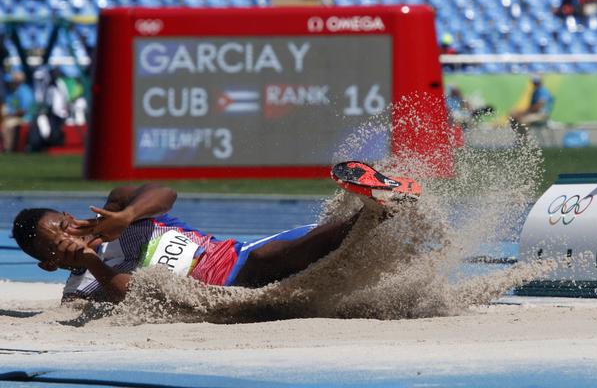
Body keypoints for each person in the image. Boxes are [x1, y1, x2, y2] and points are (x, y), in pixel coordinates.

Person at [11, 162, 421, 303]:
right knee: (268, 266)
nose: (69, 235)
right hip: (223, 288)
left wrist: (126, 215)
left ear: (68, 214)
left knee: (274, 254)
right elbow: (130, 296)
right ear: (50, 264)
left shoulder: (116, 208)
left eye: (63, 224)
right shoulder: (80, 288)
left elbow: (166, 193)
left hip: (239, 253)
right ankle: (376, 214)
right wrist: (93, 263)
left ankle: (382, 209)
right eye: (57, 242)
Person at [510, 75, 555, 141]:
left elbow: (538, 105)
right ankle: (521, 139)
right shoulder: (537, 91)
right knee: (513, 115)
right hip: (537, 114)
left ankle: (524, 142)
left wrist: (525, 113)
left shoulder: (542, 91)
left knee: (522, 120)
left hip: (541, 115)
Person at [2, 71, 34, 152]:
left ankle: (8, 149)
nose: (9, 83)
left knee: (7, 125)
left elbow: (24, 111)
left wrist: (9, 115)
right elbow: (6, 107)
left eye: (11, 81)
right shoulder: (10, 92)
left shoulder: (25, 91)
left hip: (25, 118)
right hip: (12, 116)